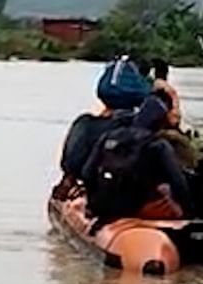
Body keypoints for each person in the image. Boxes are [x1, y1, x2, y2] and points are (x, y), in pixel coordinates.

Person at [82, 95, 194, 225]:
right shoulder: (158, 145)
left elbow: (87, 173)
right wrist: (189, 211)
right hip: (134, 209)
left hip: (102, 206)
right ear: (159, 123)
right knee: (167, 195)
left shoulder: (108, 136)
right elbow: (178, 182)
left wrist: (91, 203)